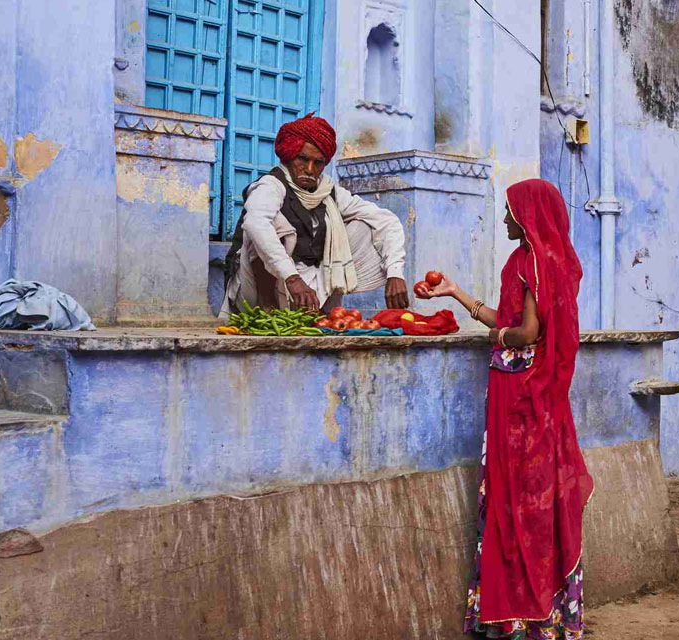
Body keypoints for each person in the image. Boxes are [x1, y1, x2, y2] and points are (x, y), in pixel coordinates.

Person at [423, 179, 593, 640]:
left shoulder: (534, 261)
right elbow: (507, 319)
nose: (504, 220)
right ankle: (541, 614)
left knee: (516, 499)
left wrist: (498, 339)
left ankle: (521, 614)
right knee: (534, 497)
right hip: (530, 395)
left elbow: (526, 332)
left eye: (509, 212)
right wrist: (457, 295)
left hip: (520, 393)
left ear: (528, 215)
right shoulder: (545, 261)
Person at [219, 113, 409, 318]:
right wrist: (292, 279)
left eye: (318, 163)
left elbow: (387, 221)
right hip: (258, 290)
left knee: (366, 225)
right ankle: (269, 310)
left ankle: (315, 312)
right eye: (303, 159)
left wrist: (395, 273)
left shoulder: (329, 192)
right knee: (267, 224)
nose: (309, 169)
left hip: (307, 288)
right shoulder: (270, 185)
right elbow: (256, 223)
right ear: (289, 156)